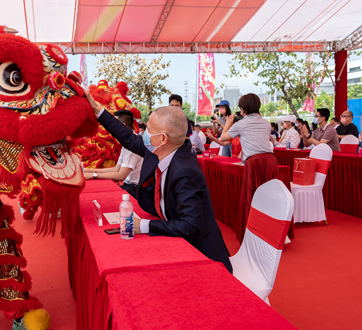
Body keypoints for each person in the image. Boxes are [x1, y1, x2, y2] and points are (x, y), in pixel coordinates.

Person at [84, 92, 233, 273]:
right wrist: (97, 109)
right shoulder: (159, 151)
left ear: (162, 138)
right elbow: (127, 137)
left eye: (148, 130)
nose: (143, 134)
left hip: (201, 254)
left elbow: (190, 225)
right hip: (174, 239)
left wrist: (144, 226)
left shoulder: (185, 170)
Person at [218, 93, 279, 241]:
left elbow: (223, 138)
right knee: (270, 196)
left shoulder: (241, 124)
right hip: (270, 160)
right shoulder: (266, 123)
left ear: (242, 109)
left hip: (254, 162)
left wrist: (228, 123)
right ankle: (272, 230)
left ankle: (253, 232)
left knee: (251, 197)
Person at [83, 110, 143, 194]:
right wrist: (88, 171)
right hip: (127, 185)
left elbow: (121, 176)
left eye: (113, 124)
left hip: (134, 189)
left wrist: (93, 175)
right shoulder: (126, 143)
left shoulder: (133, 144)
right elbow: (116, 169)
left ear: (122, 126)